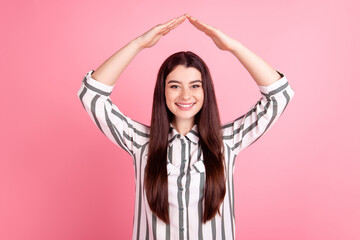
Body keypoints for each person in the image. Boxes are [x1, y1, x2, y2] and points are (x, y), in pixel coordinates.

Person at [78, 13, 294, 240]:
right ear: (162, 90)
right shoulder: (141, 141)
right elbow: (91, 95)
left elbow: (279, 95)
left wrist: (233, 47)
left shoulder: (227, 141)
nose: (185, 95)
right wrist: (138, 44)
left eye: (194, 85)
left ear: (205, 91)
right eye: (174, 86)